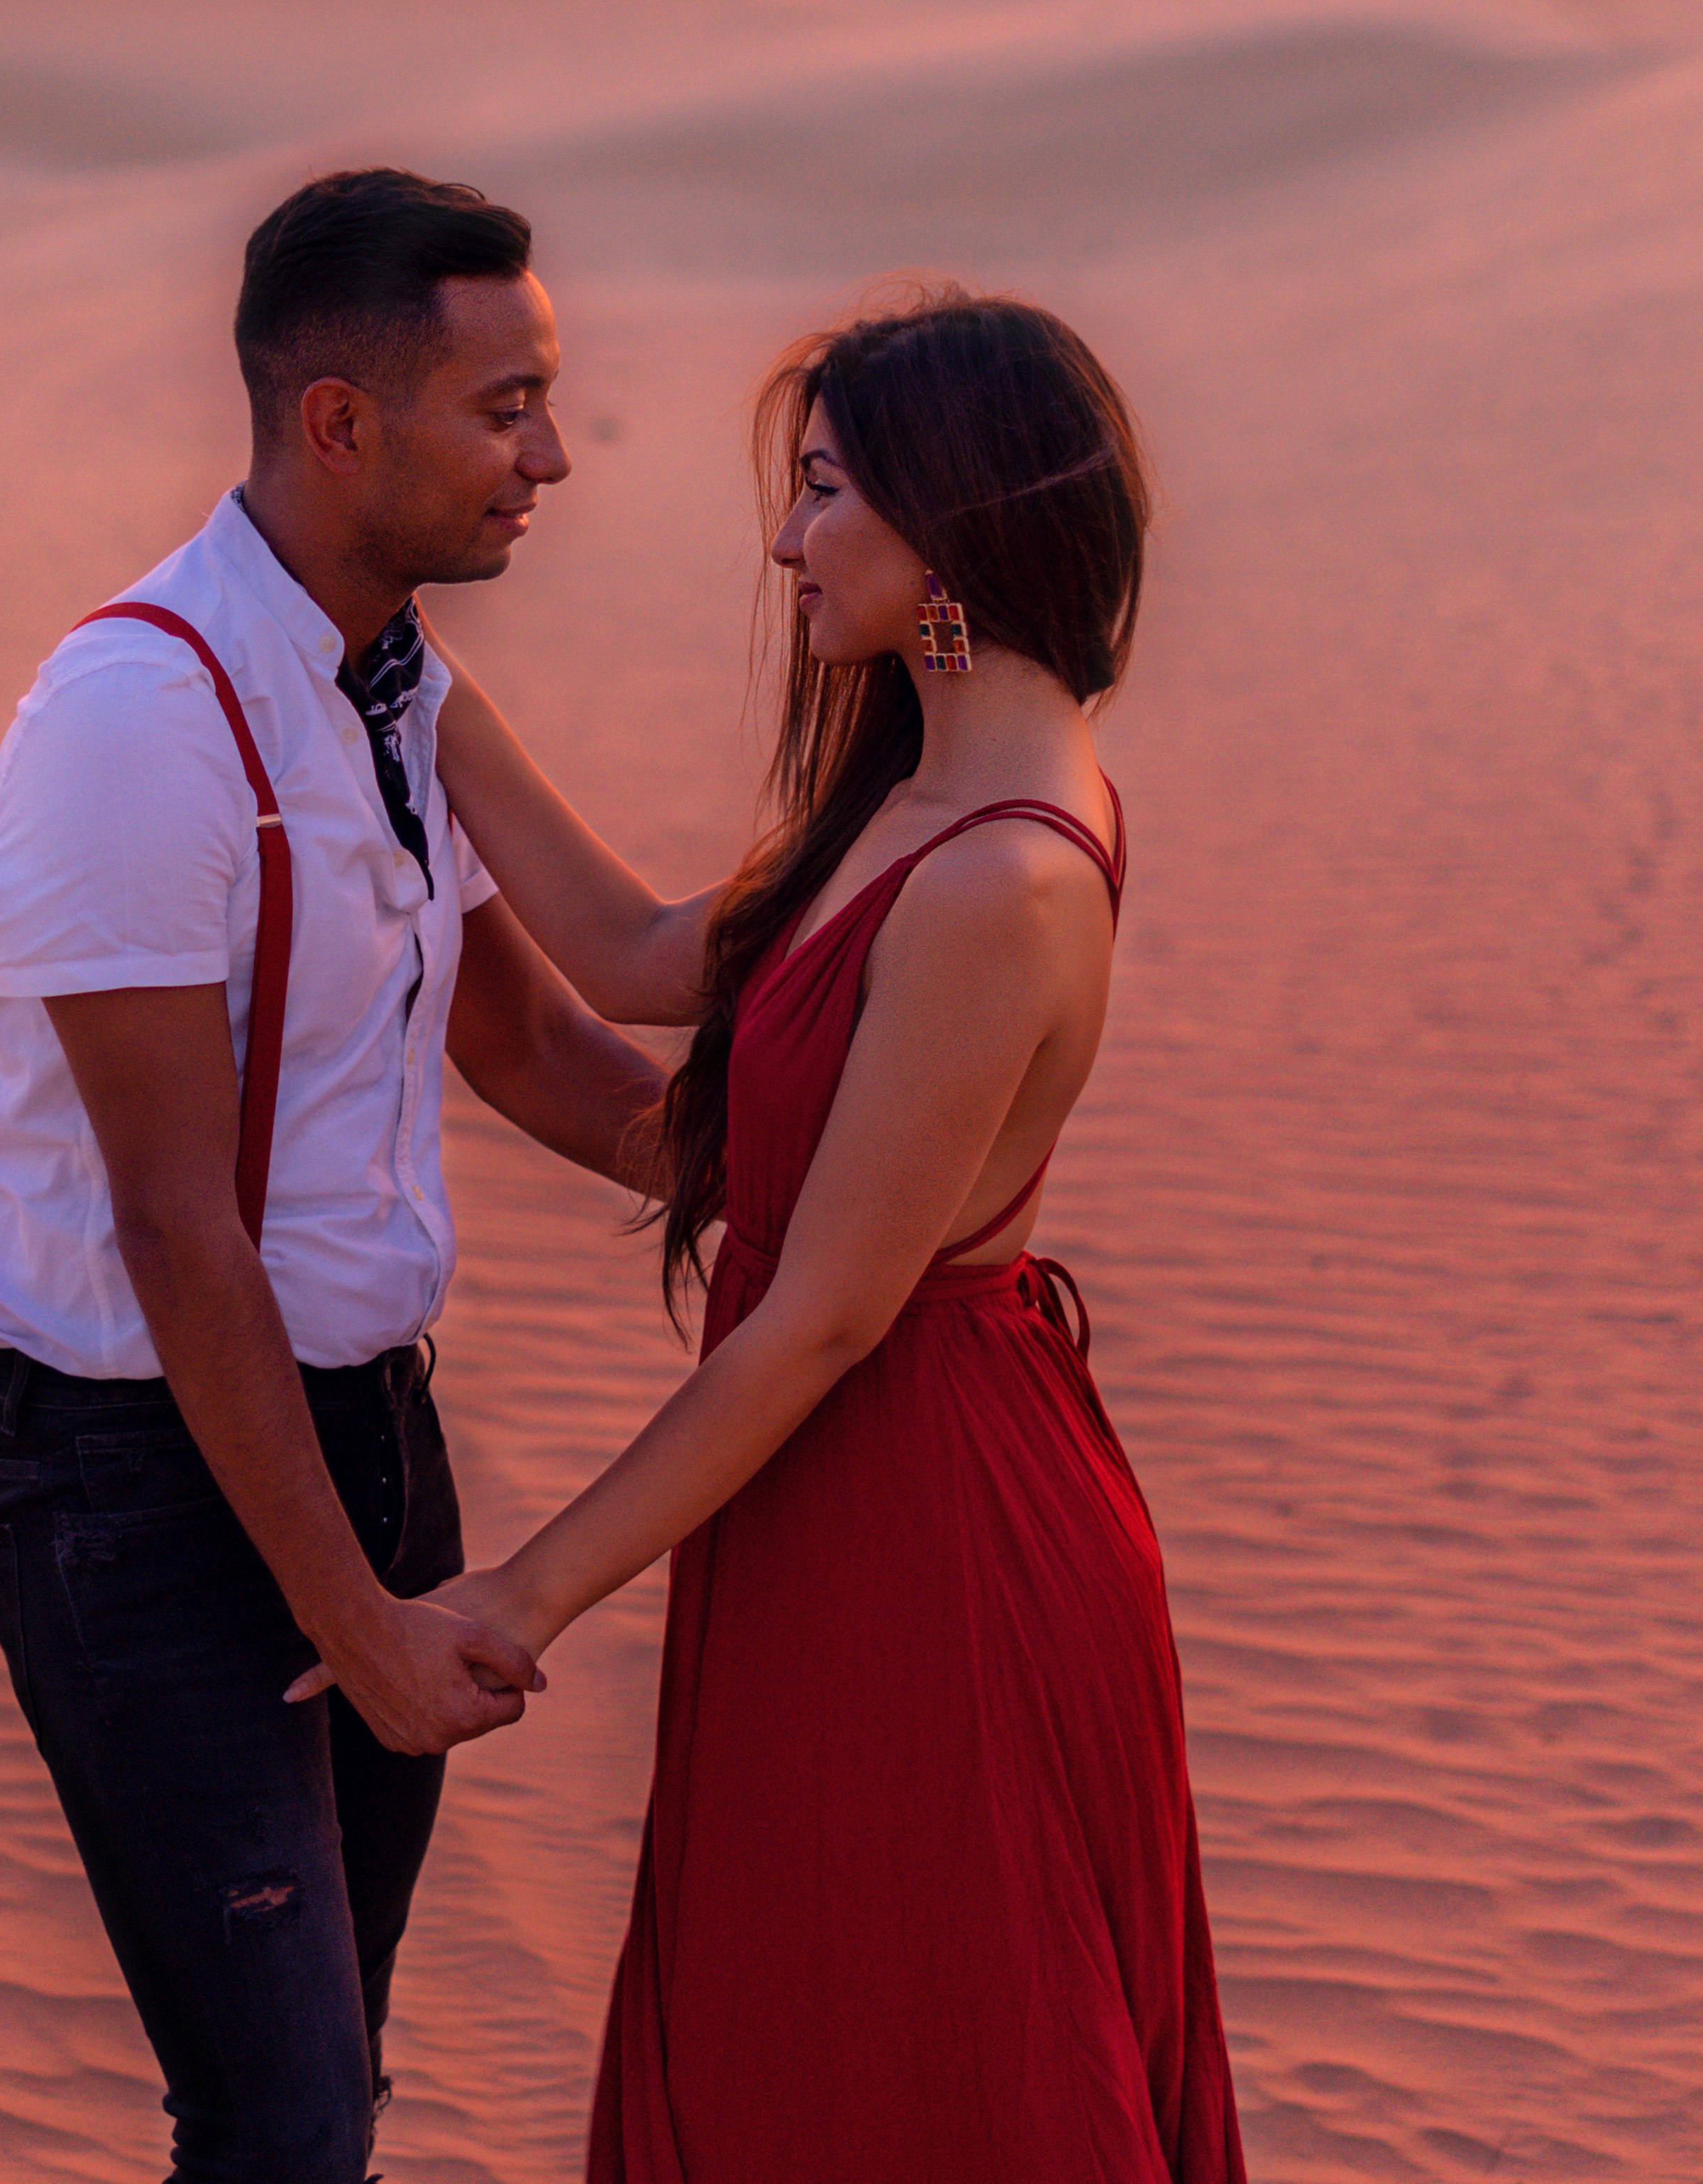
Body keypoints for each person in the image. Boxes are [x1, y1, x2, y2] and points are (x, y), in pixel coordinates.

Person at [378, 287, 1245, 2183]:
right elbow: (619, 961)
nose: (786, 543)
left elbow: (819, 1321)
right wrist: (404, 692)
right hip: (833, 1503)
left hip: (928, 1530)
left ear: (958, 516)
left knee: (914, 2049)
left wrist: (514, 1596)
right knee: (804, 2029)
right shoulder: (909, 793)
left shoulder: (1001, 874)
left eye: (830, 489)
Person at [0, 168, 667, 2183]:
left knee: (325, 2095)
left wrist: (828, 1171)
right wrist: (350, 1614)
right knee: (275, 2121)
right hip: (140, 1480)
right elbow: (178, 1228)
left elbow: (540, 1026)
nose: (547, 457)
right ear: (341, 422)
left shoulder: (394, 683)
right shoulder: (137, 716)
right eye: (504, 404)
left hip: (370, 1434)